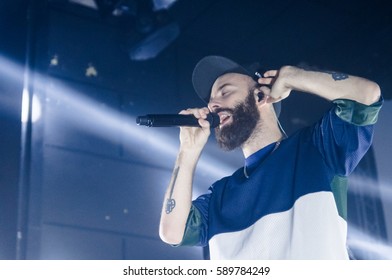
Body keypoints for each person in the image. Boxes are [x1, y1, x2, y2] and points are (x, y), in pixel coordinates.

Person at [159, 55, 383, 259]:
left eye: (225, 92)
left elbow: (366, 96)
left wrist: (293, 77)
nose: (212, 105)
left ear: (261, 96)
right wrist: (187, 149)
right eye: (210, 100)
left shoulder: (315, 149)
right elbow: (172, 232)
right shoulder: (220, 195)